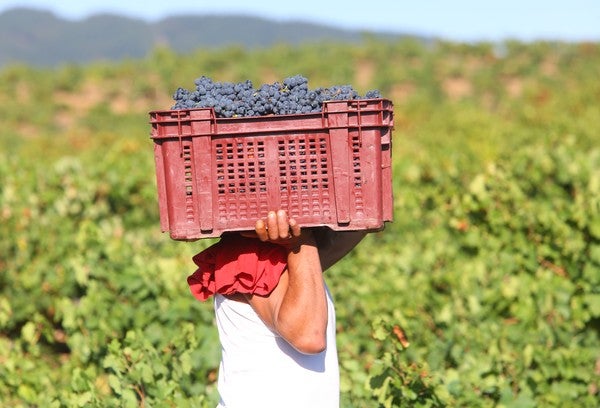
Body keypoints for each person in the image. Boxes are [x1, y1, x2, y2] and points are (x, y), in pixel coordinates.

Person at [187, 209, 368, 408]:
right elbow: (309, 336)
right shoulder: (250, 254)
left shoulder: (292, 256)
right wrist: (301, 241)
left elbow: (341, 238)